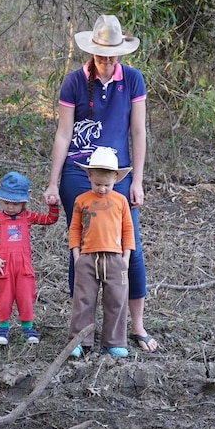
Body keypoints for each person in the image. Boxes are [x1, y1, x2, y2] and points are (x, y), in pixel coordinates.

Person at [43, 14, 158, 353]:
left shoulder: (133, 80)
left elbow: (137, 132)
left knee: (128, 250)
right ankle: (82, 332)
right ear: (92, 51)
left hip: (117, 173)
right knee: (82, 250)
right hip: (79, 172)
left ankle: (134, 327)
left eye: (113, 55)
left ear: (121, 52)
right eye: (101, 55)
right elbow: (63, 134)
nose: (107, 62)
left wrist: (137, 180)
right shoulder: (74, 82)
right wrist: (53, 182)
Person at [67, 147, 135, 358]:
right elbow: (75, 229)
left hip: (115, 259)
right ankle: (79, 341)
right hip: (87, 257)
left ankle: (113, 341)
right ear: (89, 176)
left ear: (116, 178)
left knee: (116, 299)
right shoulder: (82, 200)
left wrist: (126, 257)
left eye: (107, 185)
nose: (103, 189)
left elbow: (128, 229)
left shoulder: (121, 201)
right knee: (83, 299)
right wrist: (77, 255)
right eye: (98, 184)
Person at [0, 171, 59, 345]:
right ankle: (2, 329)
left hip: (23, 266)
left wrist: (54, 205)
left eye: (15, 203)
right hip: (3, 266)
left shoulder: (28, 217)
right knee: (4, 297)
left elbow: (50, 219)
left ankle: (28, 328)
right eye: (6, 202)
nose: (10, 207)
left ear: (23, 202)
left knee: (25, 296)